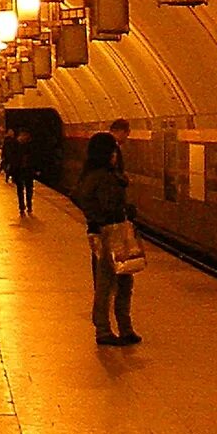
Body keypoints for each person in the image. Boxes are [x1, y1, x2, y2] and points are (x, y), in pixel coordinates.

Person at [71, 130, 142, 345]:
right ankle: (108, 329)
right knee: (113, 283)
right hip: (112, 233)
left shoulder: (91, 175)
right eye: (113, 149)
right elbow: (109, 205)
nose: (116, 153)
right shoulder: (104, 177)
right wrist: (125, 210)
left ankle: (119, 328)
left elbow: (79, 197)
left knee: (115, 281)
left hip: (103, 232)